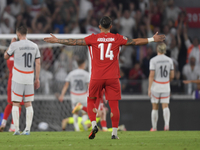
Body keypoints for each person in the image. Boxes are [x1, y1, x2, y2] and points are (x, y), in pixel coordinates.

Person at [44, 16, 165, 139]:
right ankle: (114, 134)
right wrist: (152, 39)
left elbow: (75, 41)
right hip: (112, 77)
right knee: (114, 106)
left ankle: (93, 124)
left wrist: (58, 40)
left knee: (91, 100)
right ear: (111, 26)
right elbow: (134, 42)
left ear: (99, 26)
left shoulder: (93, 38)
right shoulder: (117, 38)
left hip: (97, 77)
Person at [4, 25, 41, 135]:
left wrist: (11, 44)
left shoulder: (15, 45)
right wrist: (37, 79)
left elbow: (6, 56)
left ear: (18, 34)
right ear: (27, 33)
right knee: (28, 103)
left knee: (15, 103)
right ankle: (27, 129)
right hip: (29, 76)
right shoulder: (34, 45)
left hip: (18, 77)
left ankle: (15, 129)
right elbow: (38, 63)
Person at [148, 42, 174, 131]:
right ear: (165, 50)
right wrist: (167, 81)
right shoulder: (170, 60)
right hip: (166, 85)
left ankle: (154, 127)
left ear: (157, 49)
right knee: (165, 106)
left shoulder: (153, 60)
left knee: (155, 107)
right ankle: (166, 125)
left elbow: (151, 75)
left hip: (156, 85)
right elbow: (172, 75)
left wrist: (149, 88)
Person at [59, 59, 90, 132]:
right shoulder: (86, 74)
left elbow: (66, 85)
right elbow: (89, 86)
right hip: (83, 95)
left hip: (74, 95)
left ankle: (77, 129)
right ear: (83, 64)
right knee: (85, 111)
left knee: (75, 112)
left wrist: (62, 95)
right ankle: (83, 122)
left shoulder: (71, 73)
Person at [0, 55, 24, 132]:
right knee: (18, 104)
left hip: (11, 81)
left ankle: (3, 123)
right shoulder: (21, 56)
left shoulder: (9, 56)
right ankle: (13, 127)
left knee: (10, 103)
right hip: (18, 81)